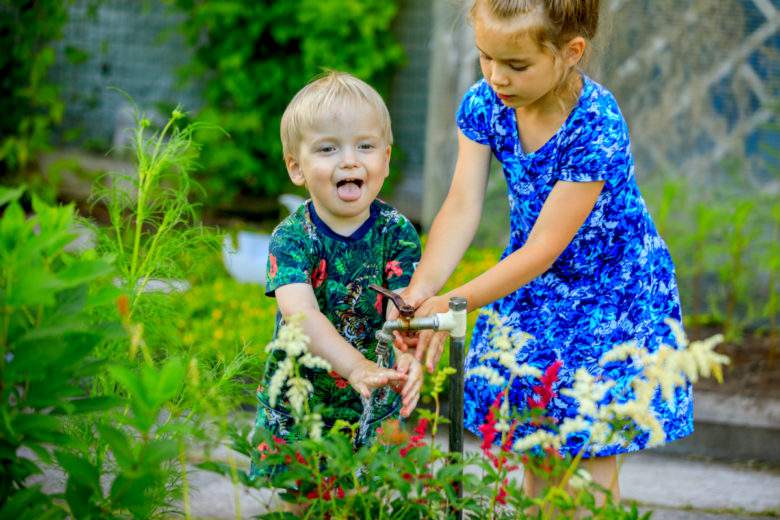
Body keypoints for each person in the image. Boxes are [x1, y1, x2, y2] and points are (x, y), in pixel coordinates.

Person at [391, 0, 691, 502]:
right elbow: (462, 205)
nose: (496, 76)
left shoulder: (595, 122)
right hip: (538, 291)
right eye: (485, 57)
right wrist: (420, 295)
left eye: (516, 64)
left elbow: (544, 249)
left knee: (588, 455)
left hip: (614, 294)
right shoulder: (486, 104)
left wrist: (454, 305)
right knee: (536, 446)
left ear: (571, 52)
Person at [250, 71, 424, 479]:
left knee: (366, 499)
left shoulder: (396, 233)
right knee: (304, 496)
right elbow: (301, 315)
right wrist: (354, 366)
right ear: (296, 167)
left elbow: (403, 310)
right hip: (301, 395)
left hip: (371, 396)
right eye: (328, 148)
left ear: (386, 157)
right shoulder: (292, 237)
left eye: (365, 145)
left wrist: (406, 356)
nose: (349, 160)